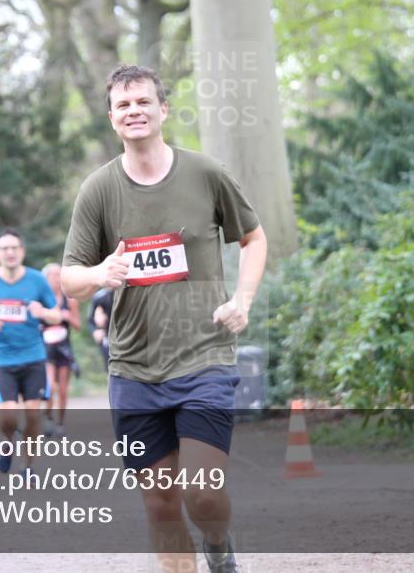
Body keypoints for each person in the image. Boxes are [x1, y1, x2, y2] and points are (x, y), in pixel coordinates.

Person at [61, 65, 267, 573]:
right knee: (160, 503)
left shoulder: (205, 174)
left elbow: (253, 238)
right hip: (134, 369)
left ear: (163, 110)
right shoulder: (98, 190)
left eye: (143, 102)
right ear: (112, 118)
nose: (134, 111)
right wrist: (100, 273)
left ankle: (217, 543)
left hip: (203, 357)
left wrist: (242, 300)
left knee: (203, 493)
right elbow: (70, 279)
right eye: (123, 105)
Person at [0, 227, 61, 479]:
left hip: (33, 357)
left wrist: (43, 312)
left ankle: (27, 467)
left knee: (33, 414)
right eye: (4, 248)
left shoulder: (37, 280)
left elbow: (57, 315)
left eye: (14, 247)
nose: (10, 252)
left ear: (22, 251)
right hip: (2, 358)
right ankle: (7, 443)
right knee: (7, 417)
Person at [41, 262, 80, 436]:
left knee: (63, 389)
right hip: (46, 348)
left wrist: (67, 316)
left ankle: (60, 423)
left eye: (59, 275)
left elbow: (78, 325)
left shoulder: (69, 300)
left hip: (64, 348)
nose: (57, 278)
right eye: (53, 275)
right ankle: (48, 418)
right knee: (50, 387)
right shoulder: (40, 300)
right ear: (46, 278)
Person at [87, 286, 114, 372]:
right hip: (107, 338)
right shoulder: (99, 298)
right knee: (110, 367)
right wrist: (95, 330)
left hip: (127, 337)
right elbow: (91, 320)